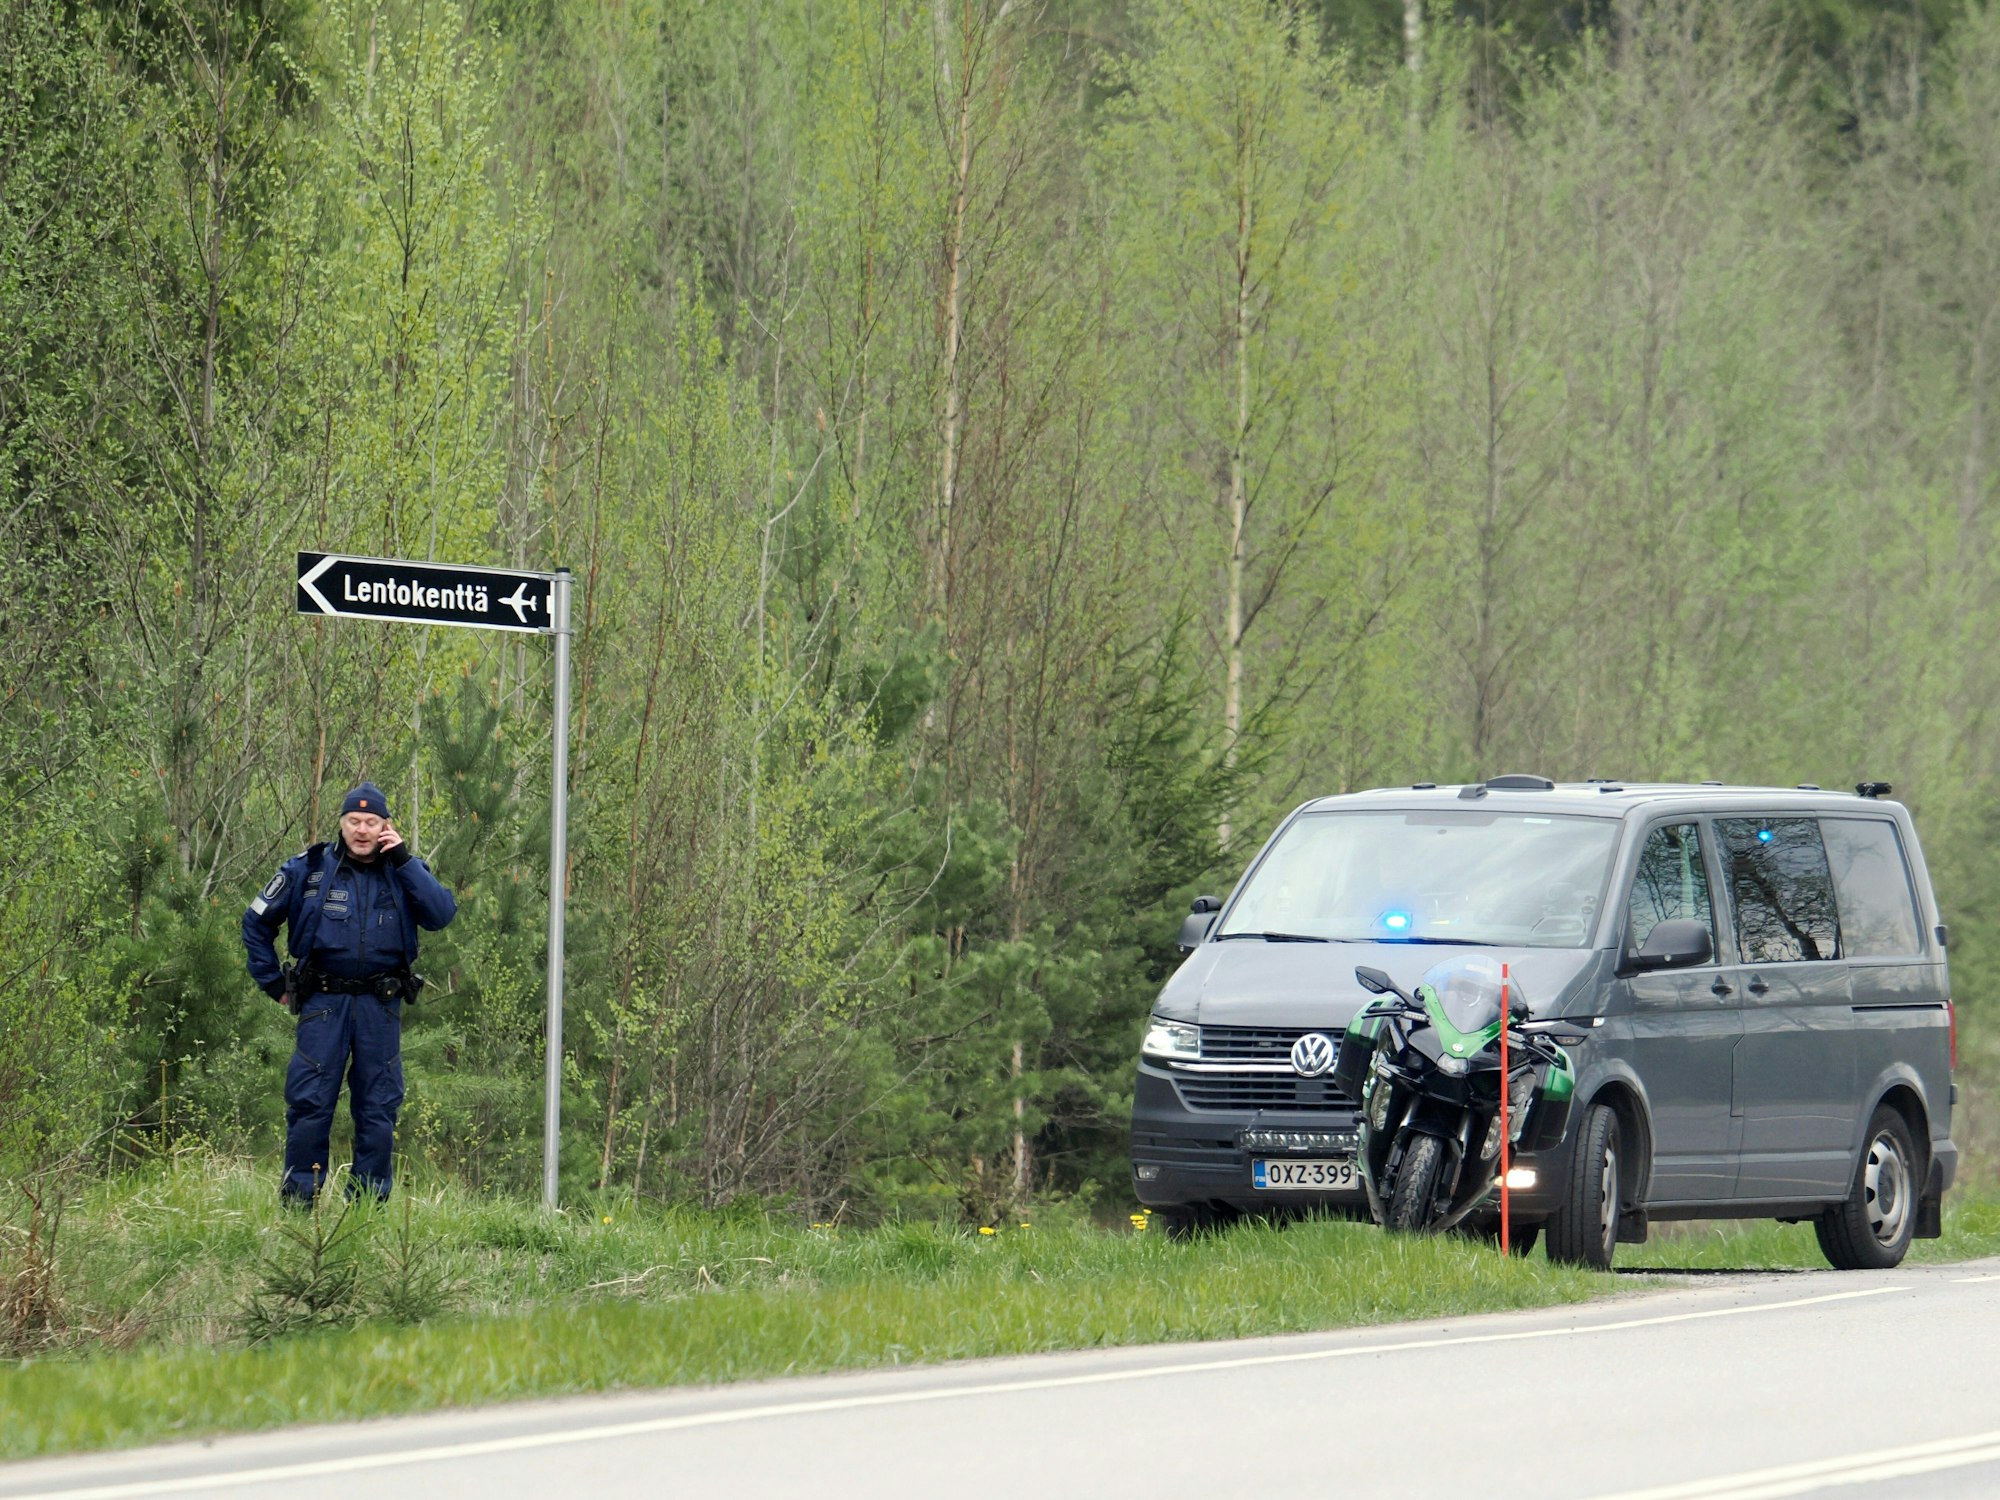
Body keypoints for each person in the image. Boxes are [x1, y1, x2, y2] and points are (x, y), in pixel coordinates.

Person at [242, 782, 457, 1204]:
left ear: (385, 826)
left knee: (377, 1108)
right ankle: (300, 1202)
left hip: (381, 1006)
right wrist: (272, 983)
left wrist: (404, 860)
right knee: (309, 1103)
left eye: (371, 822)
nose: (362, 830)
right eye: (354, 821)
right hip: (323, 1003)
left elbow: (441, 914)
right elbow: (255, 922)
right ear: (341, 824)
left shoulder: (405, 870)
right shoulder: (309, 868)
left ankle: (366, 1206)